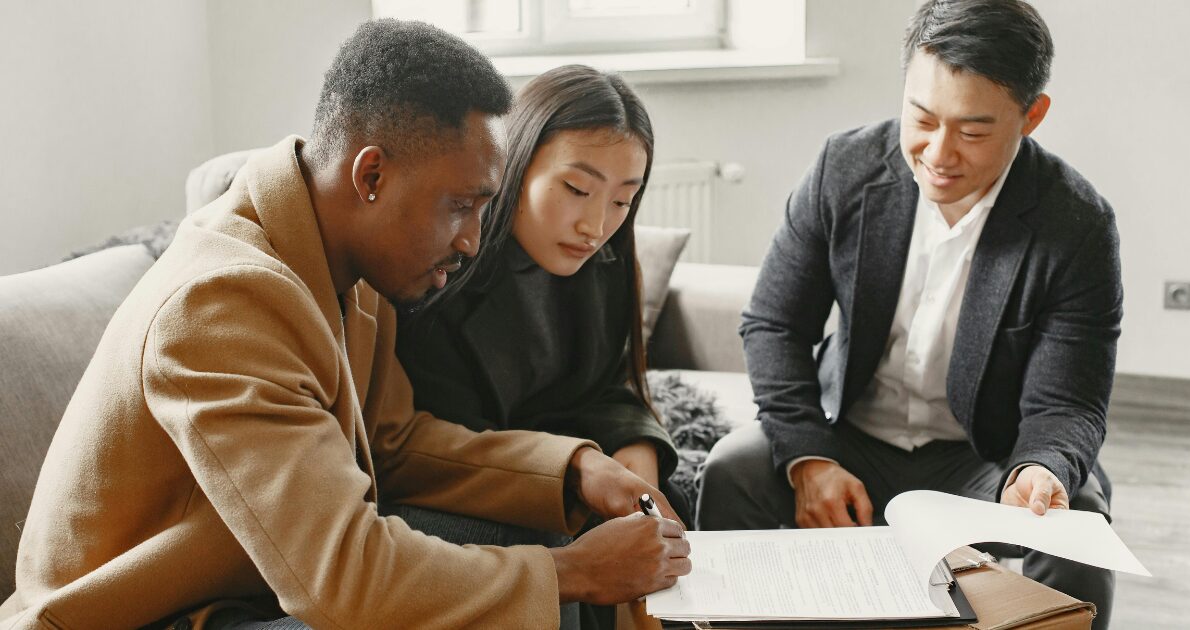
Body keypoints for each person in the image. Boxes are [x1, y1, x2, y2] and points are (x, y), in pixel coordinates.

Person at [0, 20, 690, 630]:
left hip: (255, 583)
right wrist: (572, 571)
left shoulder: (347, 268)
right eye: (459, 207)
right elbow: (347, 585)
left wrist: (576, 470)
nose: (474, 241)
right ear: (370, 176)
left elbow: (393, 445)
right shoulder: (222, 303)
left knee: (525, 535)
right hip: (152, 615)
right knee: (514, 589)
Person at [696, 1, 1121, 627]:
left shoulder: (1077, 222)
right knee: (731, 470)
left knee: (1077, 519)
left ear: (1033, 116)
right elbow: (775, 323)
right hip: (848, 433)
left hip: (987, 454)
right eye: (922, 118)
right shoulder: (843, 169)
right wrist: (810, 458)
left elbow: (1068, 402)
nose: (939, 153)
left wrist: (1039, 468)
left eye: (973, 132)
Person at [395, 64, 683, 630]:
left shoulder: (605, 260)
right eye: (576, 190)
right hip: (452, 484)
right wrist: (577, 471)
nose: (596, 225)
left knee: (664, 511)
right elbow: (438, 450)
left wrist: (634, 447)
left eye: (624, 200)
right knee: (554, 537)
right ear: (515, 164)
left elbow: (603, 385)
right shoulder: (439, 271)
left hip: (558, 466)